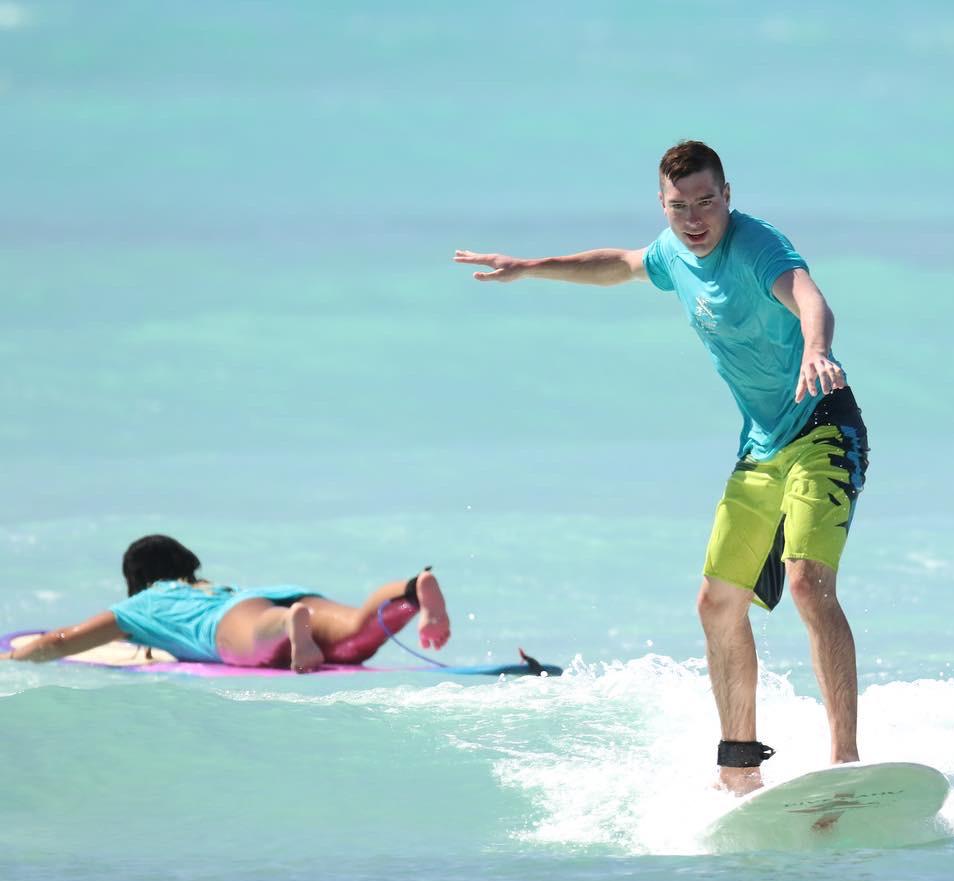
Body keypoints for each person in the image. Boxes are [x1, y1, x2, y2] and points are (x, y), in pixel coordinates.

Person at [454, 140, 867, 794]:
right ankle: (739, 769)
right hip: (760, 447)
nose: (696, 217)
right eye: (681, 206)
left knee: (809, 584)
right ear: (663, 204)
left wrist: (817, 348)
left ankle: (845, 763)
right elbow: (618, 264)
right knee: (716, 602)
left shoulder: (758, 247)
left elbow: (810, 297)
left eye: (707, 201)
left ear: (728, 195)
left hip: (822, 427)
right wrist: (528, 266)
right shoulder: (673, 251)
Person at [0, 534, 450, 673]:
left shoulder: (142, 606)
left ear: (137, 580)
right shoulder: (211, 585)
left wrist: (15, 657)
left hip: (236, 622)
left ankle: (291, 625)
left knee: (261, 634)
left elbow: (61, 640)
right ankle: (411, 590)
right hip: (267, 596)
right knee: (355, 632)